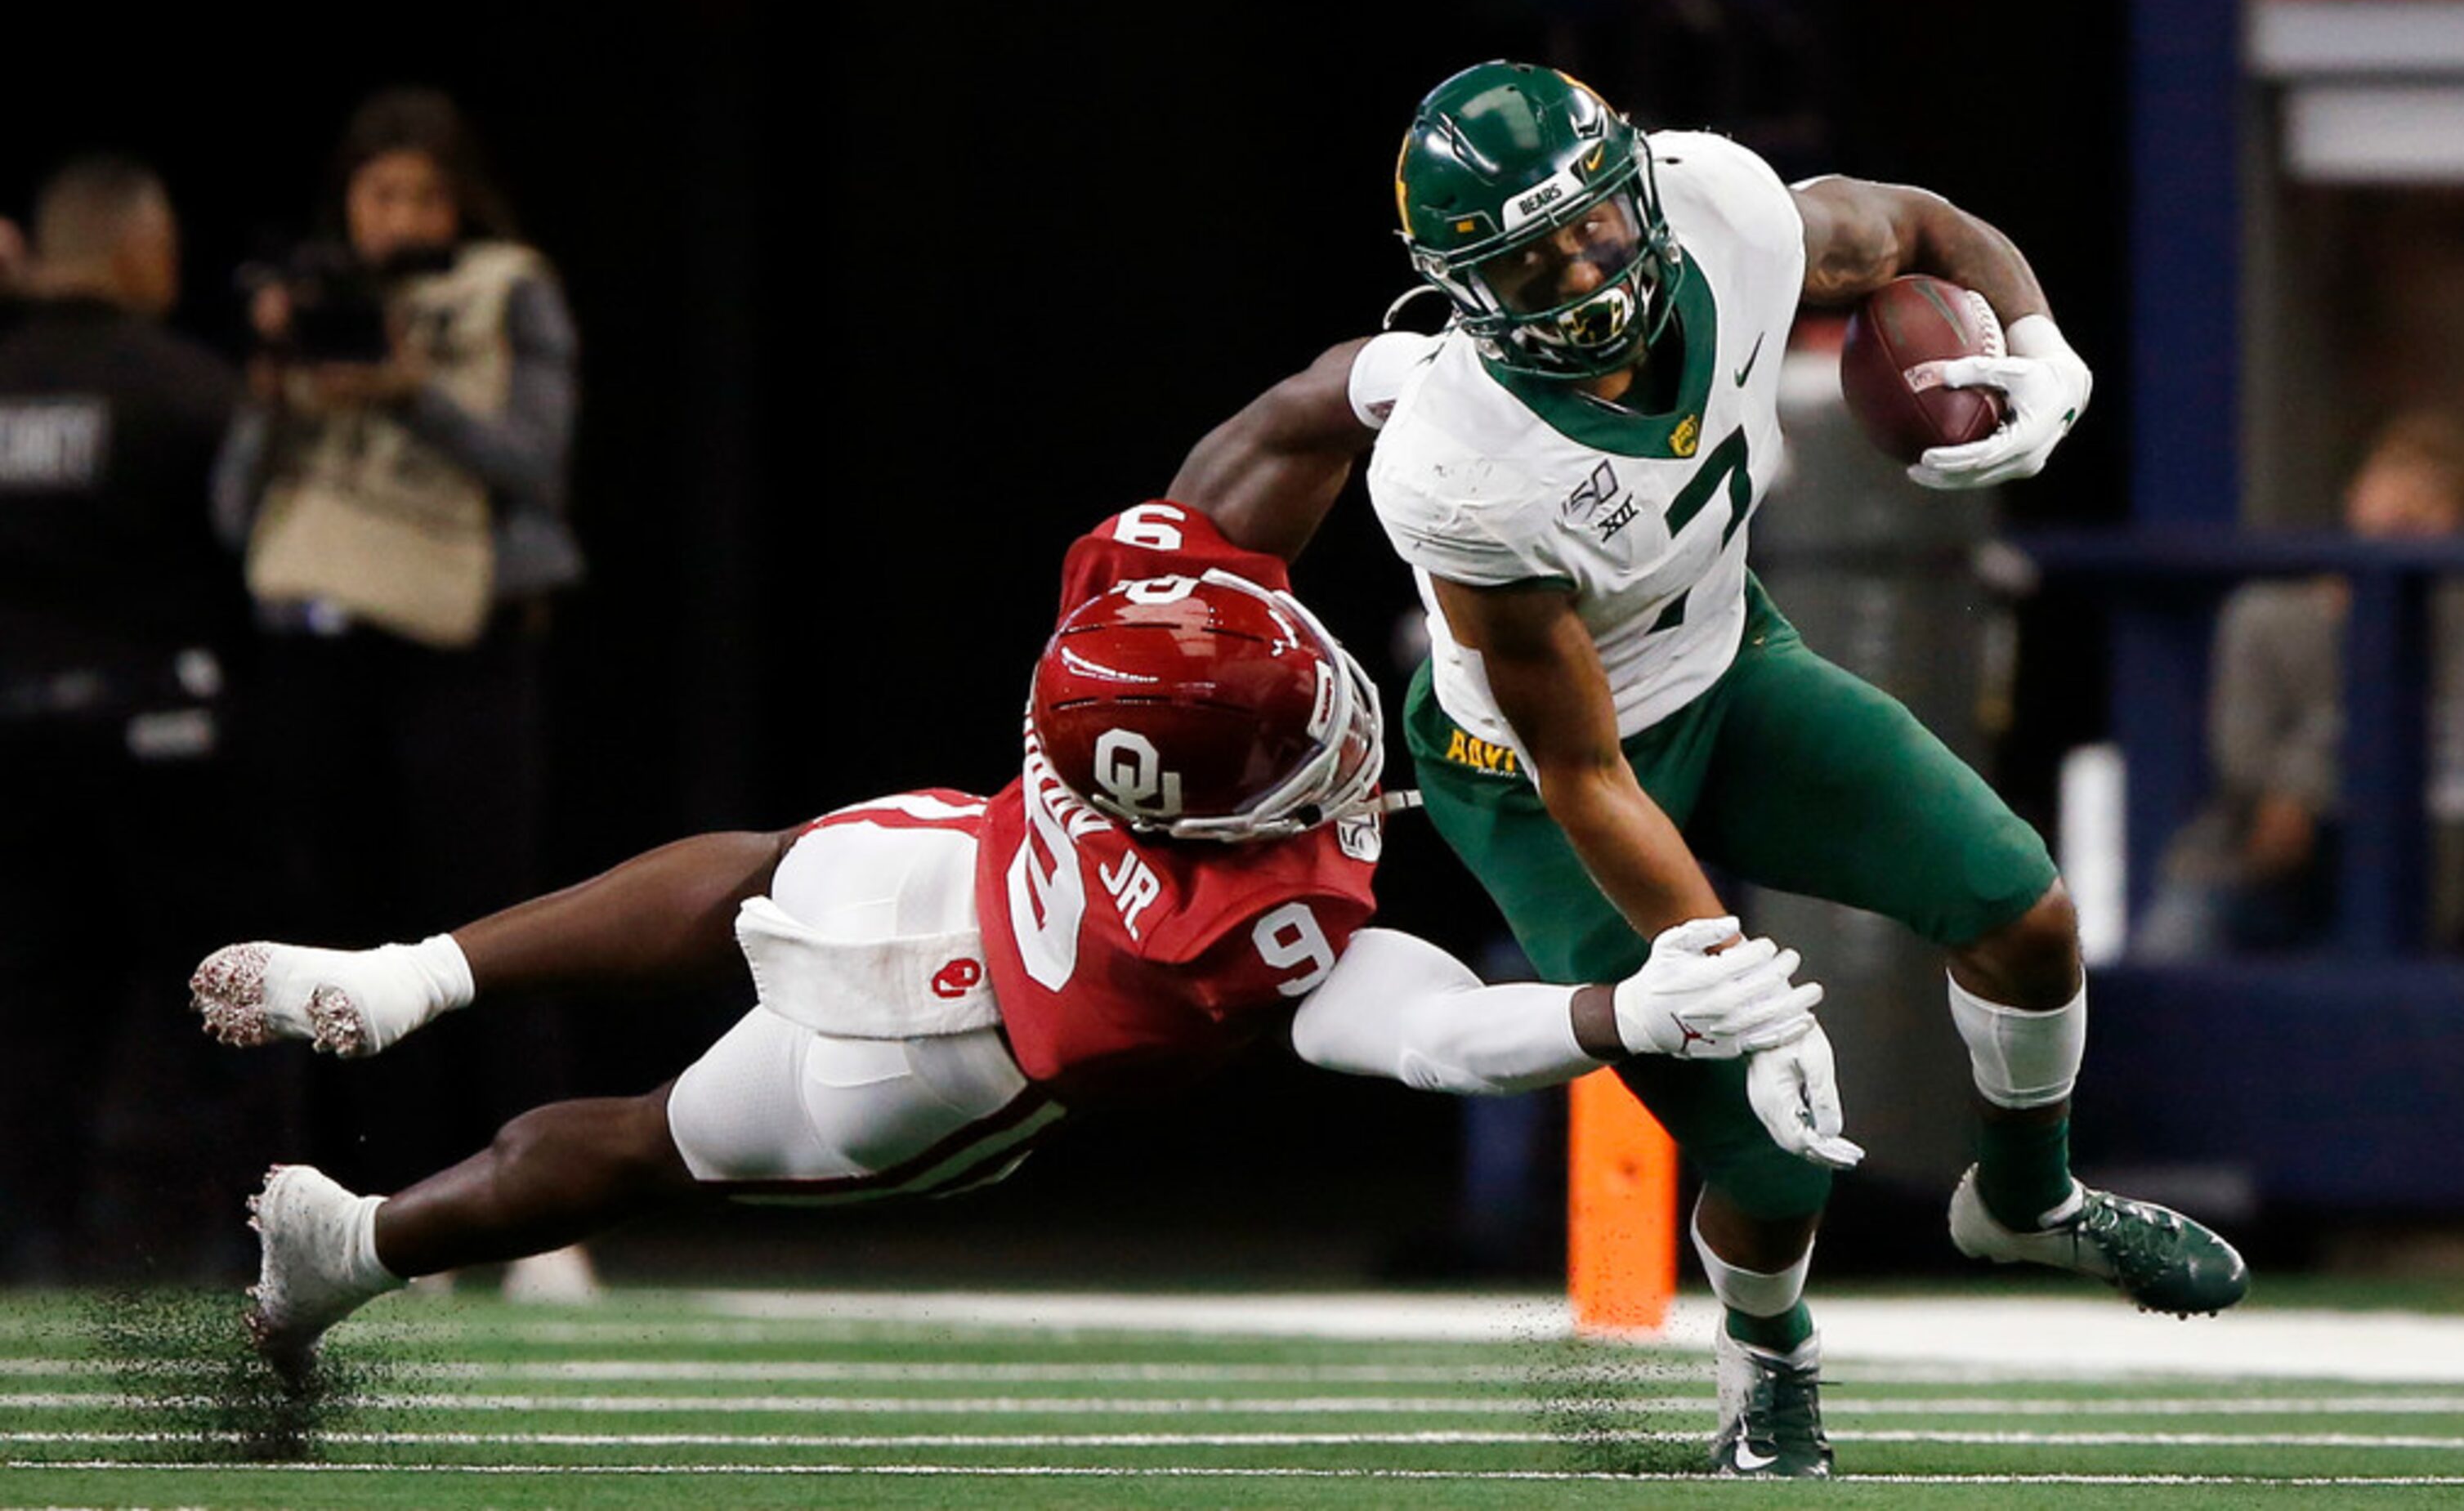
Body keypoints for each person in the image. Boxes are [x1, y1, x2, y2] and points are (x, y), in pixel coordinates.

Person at [1174, 60, 2247, 1478]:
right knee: (1767, 1148)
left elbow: (1922, 230)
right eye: (1528, 259)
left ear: (1639, 189)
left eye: (1595, 229)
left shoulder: (1725, 210)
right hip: (1541, 776)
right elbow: (1579, 761)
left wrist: (2044, 345)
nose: (1579, 275)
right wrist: (1713, 959)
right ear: (1455, 286)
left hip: (1730, 660)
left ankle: (2023, 1200)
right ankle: (1768, 1364)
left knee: (2020, 909)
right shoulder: (1458, 463)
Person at [196, 476, 1851, 1388]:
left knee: (771, 866)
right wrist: (1608, 1018)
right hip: (936, 1071)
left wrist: (1374, 387)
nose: (1343, 729)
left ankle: (404, 983)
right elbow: (1416, 1033)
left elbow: (1247, 455)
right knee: (627, 1146)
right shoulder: (1252, 918)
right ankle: (359, 1241)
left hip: (942, 875)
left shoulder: (1113, 636)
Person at [210, 88, 588, 1296]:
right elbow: (231, 514)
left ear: (460, 199)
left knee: (491, 927)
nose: (404, 217)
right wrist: (276, 385)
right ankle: (405, 1215)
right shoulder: (313, 301)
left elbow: (536, 466)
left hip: (466, 642)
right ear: (348, 204)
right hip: (326, 651)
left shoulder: (504, 290)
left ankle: (545, 1213)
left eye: (426, 193)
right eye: (383, 194)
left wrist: (412, 392)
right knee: (348, 939)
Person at [0, 157, 261, 1280]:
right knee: (219, 988)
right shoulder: (196, 389)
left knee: (31, 991)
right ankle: (228, 1230)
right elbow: (262, 557)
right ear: (139, 251)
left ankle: (33, 1236)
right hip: (167, 738)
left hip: (15, 739)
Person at [2136, 410, 2464, 957]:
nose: (2406, 506)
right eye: (2393, 480)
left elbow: (2450, 746)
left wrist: (2306, 777)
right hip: (2260, 861)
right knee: (2172, 944)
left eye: (2434, 494)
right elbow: (2242, 761)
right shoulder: (2265, 614)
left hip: (2417, 872)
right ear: (2356, 494)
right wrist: (2299, 798)